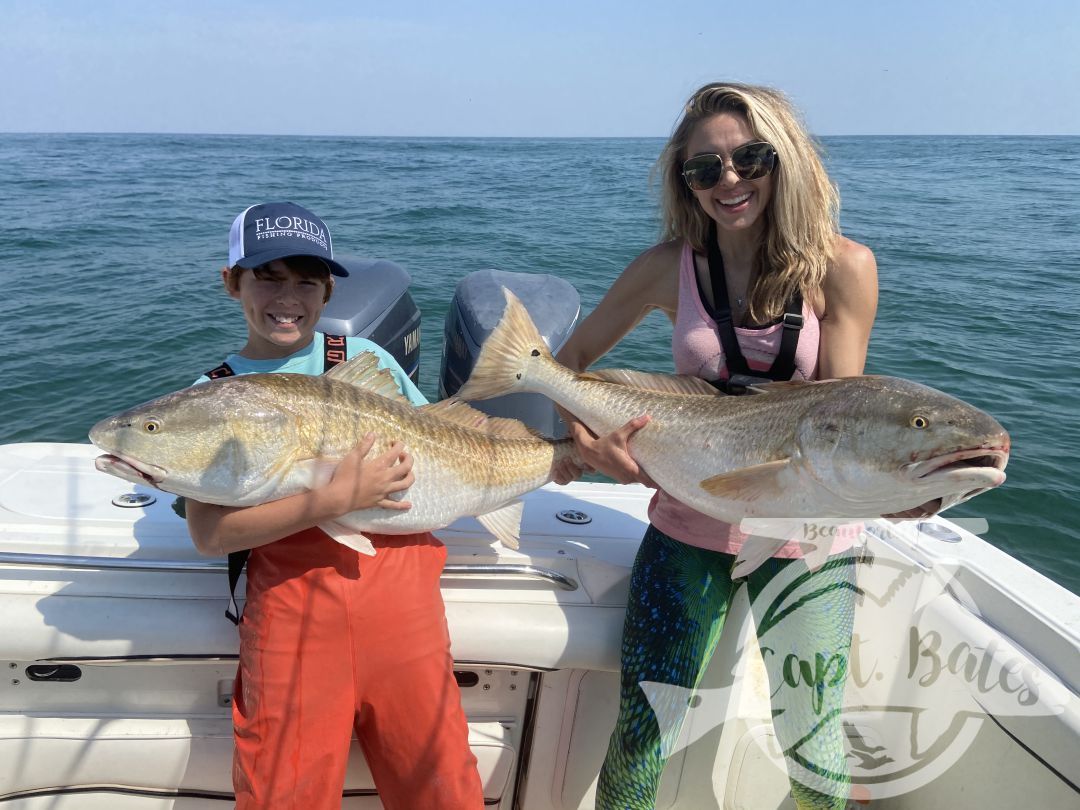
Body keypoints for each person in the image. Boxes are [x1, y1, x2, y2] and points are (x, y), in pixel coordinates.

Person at [553, 84, 878, 809]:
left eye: (748, 159)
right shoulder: (667, 267)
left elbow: (839, 420)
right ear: (684, 181)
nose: (728, 182)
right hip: (686, 528)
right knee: (641, 735)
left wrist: (909, 488)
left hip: (807, 543)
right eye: (703, 170)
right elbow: (567, 364)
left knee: (814, 747)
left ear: (783, 159)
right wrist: (597, 449)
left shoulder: (843, 268)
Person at [184, 201, 484, 810]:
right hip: (291, 618)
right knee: (283, 791)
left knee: (441, 784)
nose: (287, 296)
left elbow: (442, 449)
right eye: (267, 276)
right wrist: (332, 500)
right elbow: (212, 536)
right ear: (231, 281)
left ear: (326, 293)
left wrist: (558, 456)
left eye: (306, 281)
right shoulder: (210, 397)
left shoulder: (368, 365)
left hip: (403, 609)